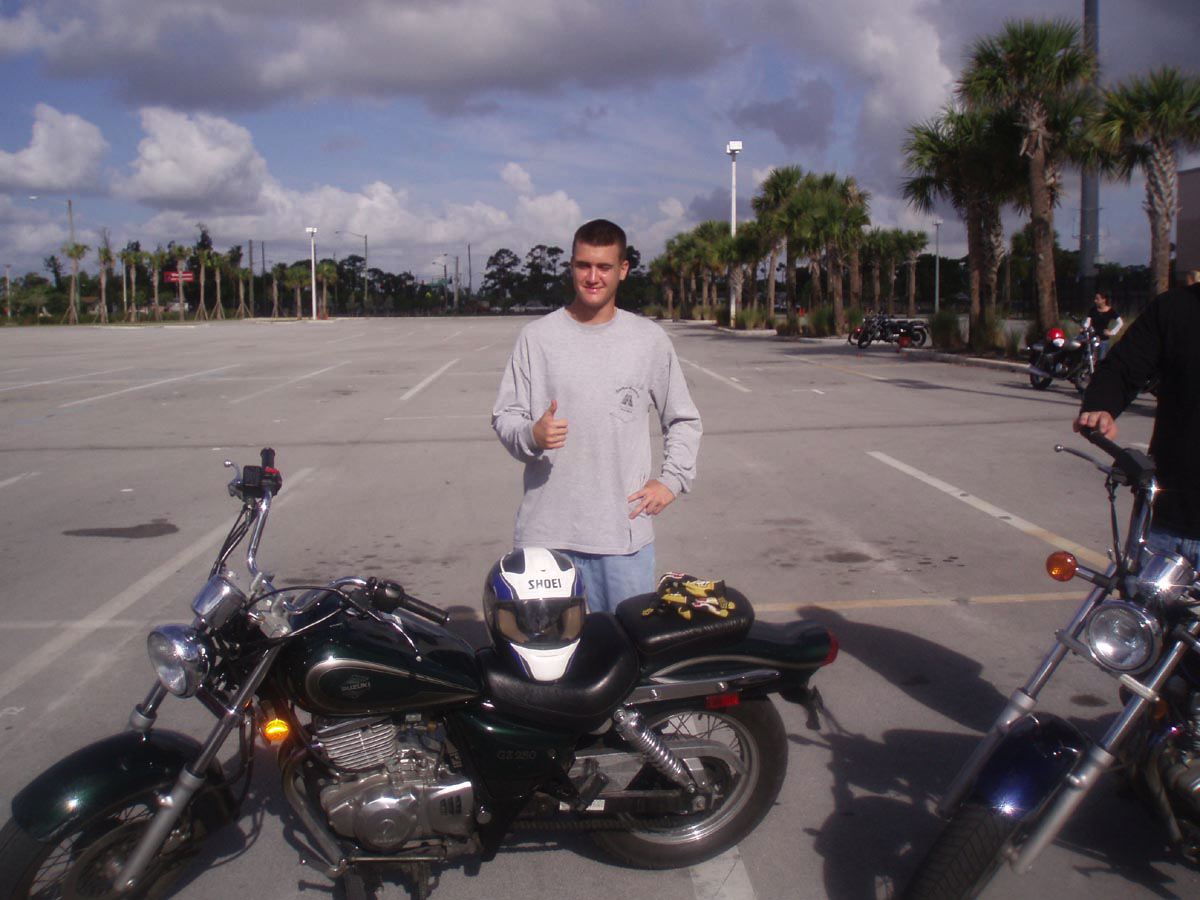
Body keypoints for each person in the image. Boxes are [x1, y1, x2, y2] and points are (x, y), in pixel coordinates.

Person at [491, 219, 702, 614]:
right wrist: (532, 435)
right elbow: (506, 415)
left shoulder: (648, 340)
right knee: (548, 653)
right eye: (583, 265)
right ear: (571, 266)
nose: (592, 277)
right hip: (546, 539)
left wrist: (671, 480)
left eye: (604, 267)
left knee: (624, 647)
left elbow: (683, 419)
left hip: (622, 543)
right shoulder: (537, 338)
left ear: (623, 270)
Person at [1075, 274, 1200, 563]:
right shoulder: (1175, 308)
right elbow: (1122, 366)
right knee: (1129, 594)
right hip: (1163, 522)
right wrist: (1101, 405)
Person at [1081, 291, 1123, 359]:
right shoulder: (1093, 310)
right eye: (1095, 299)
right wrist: (1084, 328)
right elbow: (1087, 322)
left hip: (1103, 340)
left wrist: (1112, 332)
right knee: (1089, 359)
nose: (1095, 301)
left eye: (1097, 299)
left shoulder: (1110, 311)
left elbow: (1120, 322)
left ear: (1104, 300)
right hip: (1093, 338)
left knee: (1102, 360)